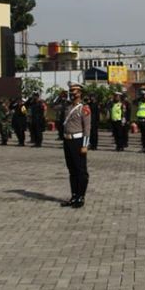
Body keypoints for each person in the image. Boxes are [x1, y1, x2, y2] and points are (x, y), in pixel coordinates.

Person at [60, 81, 91, 209]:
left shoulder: (84, 108)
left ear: (80, 93)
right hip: (67, 140)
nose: (72, 93)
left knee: (80, 170)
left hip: (78, 141)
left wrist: (85, 145)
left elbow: (87, 128)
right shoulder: (67, 107)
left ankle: (81, 196)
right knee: (71, 170)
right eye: (71, 91)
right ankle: (73, 195)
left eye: (74, 91)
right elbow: (54, 105)